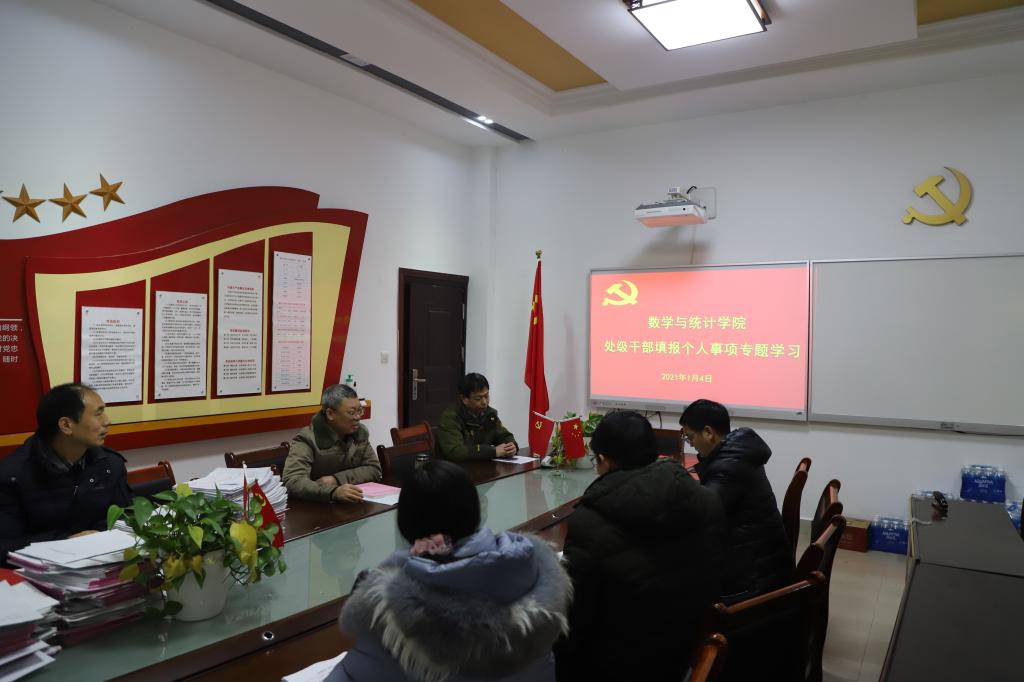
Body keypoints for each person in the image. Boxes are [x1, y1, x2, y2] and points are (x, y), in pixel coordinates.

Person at [327, 459, 571, 682]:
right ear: (474, 510)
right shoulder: (530, 572)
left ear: (407, 523)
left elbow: (353, 672)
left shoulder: (391, 609)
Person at [553, 411, 725, 682]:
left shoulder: (589, 522)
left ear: (603, 460)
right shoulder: (703, 497)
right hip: (690, 649)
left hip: (620, 664)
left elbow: (575, 621)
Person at [0, 383, 131, 566]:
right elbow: (4, 547)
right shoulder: (12, 475)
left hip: (100, 565)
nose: (107, 421)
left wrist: (96, 537)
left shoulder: (109, 464)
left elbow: (125, 520)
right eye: (98, 413)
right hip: (37, 573)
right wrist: (65, 541)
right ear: (66, 425)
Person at [680, 398, 794, 602]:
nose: (691, 444)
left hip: (754, 582)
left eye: (690, 437)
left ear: (708, 432)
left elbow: (704, 514)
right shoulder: (738, 453)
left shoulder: (729, 466)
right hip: (763, 565)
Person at [283, 384, 382, 503]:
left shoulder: (359, 433)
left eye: (360, 411)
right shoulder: (308, 438)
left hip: (353, 503)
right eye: (351, 412)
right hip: (316, 507)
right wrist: (332, 492)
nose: (357, 417)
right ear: (330, 414)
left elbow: (374, 469)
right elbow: (293, 481)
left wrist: (336, 479)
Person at [436, 373, 518, 461]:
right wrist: (492, 451)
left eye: (486, 396)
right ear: (464, 399)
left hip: (481, 465)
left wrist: (511, 446)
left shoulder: (489, 414)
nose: (484, 402)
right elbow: (455, 452)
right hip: (454, 467)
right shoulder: (450, 418)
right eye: (478, 398)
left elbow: (504, 435)